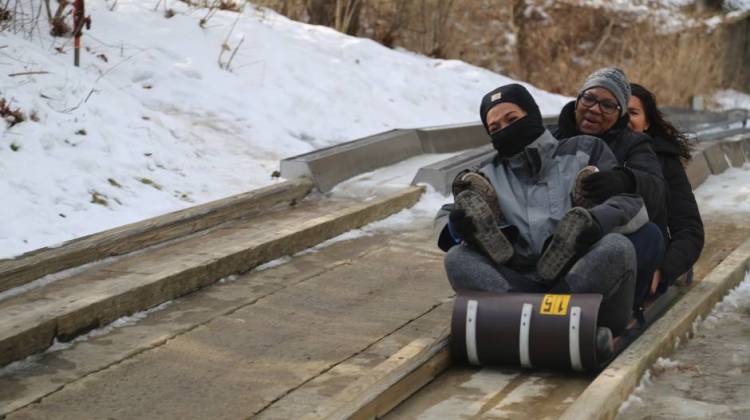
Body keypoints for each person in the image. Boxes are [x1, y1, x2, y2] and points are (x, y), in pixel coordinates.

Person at [434, 83, 649, 337]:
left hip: (576, 276)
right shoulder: (487, 173)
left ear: (532, 114)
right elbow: (448, 211)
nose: (506, 129)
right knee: (458, 258)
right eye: (495, 128)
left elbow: (631, 204)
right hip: (516, 279)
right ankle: (549, 319)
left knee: (616, 247)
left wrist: (596, 222)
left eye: (512, 119)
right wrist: (455, 227)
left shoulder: (585, 150)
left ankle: (524, 315)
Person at [553, 67, 668, 314]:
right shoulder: (551, 139)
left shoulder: (635, 144)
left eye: (608, 105)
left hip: (604, 238)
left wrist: (625, 179)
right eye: (589, 99)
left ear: (620, 114)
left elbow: (657, 189)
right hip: (551, 235)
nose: (595, 109)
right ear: (578, 100)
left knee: (649, 235)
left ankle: (610, 310)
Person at [627, 83, 704, 299]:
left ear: (647, 123)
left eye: (632, 113)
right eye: (618, 111)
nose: (624, 119)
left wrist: (665, 269)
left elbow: (688, 228)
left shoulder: (664, 161)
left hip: (647, 260)